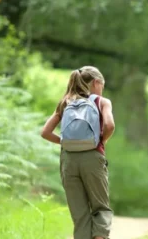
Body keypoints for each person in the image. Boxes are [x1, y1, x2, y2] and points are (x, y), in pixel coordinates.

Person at [41, 66, 115, 239]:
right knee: (101, 207)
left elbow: (45, 132)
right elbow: (110, 125)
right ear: (96, 83)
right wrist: (101, 141)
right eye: (101, 86)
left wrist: (67, 142)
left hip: (68, 160)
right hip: (93, 157)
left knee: (80, 214)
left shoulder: (66, 101)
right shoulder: (101, 102)